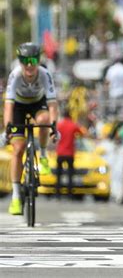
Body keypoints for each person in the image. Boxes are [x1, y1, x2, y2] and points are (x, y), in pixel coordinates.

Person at [1, 43, 58, 215]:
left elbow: (53, 105)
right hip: (18, 106)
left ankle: (42, 155)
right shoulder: (15, 75)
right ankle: (16, 196)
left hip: (37, 104)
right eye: (24, 61)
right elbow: (8, 106)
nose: (29, 65)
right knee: (18, 149)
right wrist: (7, 129)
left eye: (33, 60)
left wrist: (54, 127)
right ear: (20, 62)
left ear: (38, 61)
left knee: (44, 119)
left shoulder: (44, 74)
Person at [56, 108, 86, 198]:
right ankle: (69, 193)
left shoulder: (59, 125)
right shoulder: (73, 125)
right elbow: (81, 133)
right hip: (69, 153)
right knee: (70, 174)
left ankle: (58, 193)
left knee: (59, 174)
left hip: (60, 152)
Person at [104, 53, 123, 119]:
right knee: (122, 114)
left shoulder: (111, 69)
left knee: (113, 113)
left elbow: (107, 82)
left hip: (113, 93)